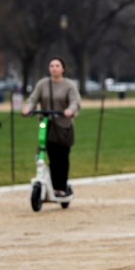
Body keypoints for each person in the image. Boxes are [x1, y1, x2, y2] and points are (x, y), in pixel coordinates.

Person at [22, 57, 81, 198]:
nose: (54, 68)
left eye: (57, 65)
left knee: (62, 157)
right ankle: (52, 185)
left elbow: (75, 102)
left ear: (63, 69)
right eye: (51, 66)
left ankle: (61, 187)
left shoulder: (69, 85)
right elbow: (33, 99)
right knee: (51, 156)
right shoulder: (42, 84)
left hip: (63, 126)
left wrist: (70, 110)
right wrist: (28, 107)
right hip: (47, 125)